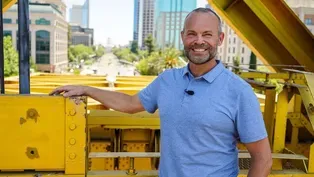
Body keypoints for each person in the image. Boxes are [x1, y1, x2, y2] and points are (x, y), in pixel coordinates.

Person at [50, 7, 272, 177]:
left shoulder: (239, 91)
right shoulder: (168, 80)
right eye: (192, 34)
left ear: (219, 39)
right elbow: (129, 103)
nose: (199, 41)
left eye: (207, 34)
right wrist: (86, 89)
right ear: (183, 37)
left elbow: (262, 158)